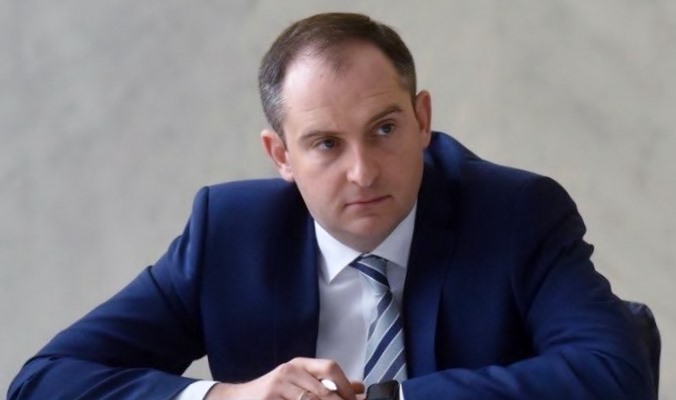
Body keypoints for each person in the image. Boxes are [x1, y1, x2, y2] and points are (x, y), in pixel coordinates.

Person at [8, 12, 655, 400]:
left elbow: (613, 373)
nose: (362, 170)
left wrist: (386, 399)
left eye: (384, 129)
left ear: (422, 119)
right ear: (281, 155)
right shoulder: (229, 235)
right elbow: (46, 382)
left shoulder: (515, 214)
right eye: (325, 144)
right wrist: (231, 396)